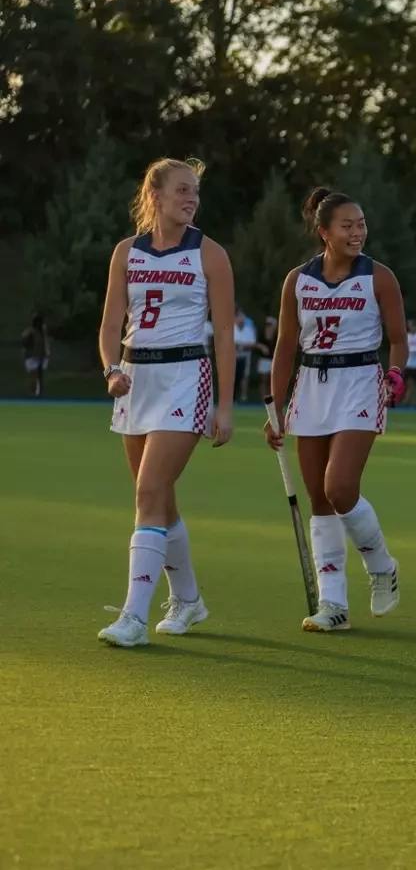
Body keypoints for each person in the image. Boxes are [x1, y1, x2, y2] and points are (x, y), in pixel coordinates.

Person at [95, 157, 236, 647]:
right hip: (136, 378)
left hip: (185, 376)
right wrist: (112, 369)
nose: (191, 198)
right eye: (181, 190)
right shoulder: (126, 252)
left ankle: (134, 617)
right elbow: (112, 321)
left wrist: (224, 405)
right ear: (154, 196)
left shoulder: (210, 254)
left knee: (148, 492)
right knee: (160, 497)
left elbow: (224, 337)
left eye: (195, 190)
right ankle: (189, 599)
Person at [263, 188, 408, 632]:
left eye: (361, 224)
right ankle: (334, 605)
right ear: (324, 232)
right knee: (320, 501)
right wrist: (277, 407)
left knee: (341, 487)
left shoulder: (379, 277)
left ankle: (382, 567)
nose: (357, 232)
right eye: (347, 225)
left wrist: (396, 374)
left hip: (361, 382)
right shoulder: (298, 280)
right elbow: (286, 346)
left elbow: (398, 339)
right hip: (311, 386)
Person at [21, 312, 49, 397]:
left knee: (40, 377)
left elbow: (45, 343)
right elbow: (25, 342)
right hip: (32, 357)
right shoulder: (29, 331)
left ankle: (39, 394)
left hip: (42, 356)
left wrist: (46, 353)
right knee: (34, 377)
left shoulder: (43, 331)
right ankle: (33, 394)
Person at [232, 306, 256, 401]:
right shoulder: (232, 328)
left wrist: (241, 345)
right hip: (234, 355)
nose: (242, 319)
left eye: (243, 317)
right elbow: (231, 342)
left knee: (244, 376)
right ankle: (232, 397)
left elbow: (252, 343)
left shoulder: (248, 329)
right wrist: (239, 345)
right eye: (240, 317)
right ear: (236, 318)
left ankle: (243, 397)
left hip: (245, 355)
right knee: (233, 376)